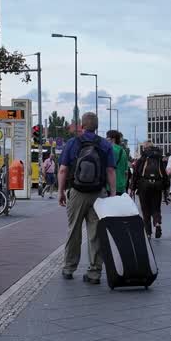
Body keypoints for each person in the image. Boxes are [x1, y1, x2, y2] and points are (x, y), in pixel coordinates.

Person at [57, 112, 117, 285]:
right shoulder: (105, 145)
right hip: (98, 194)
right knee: (96, 233)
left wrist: (61, 192)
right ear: (97, 127)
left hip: (76, 192)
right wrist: (112, 194)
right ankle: (94, 273)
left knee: (73, 230)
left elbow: (63, 170)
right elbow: (111, 171)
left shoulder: (73, 143)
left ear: (82, 126)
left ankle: (69, 268)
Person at [132, 142, 167, 237]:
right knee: (156, 207)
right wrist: (165, 188)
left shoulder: (142, 158)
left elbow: (136, 174)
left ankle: (148, 233)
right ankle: (157, 223)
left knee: (145, 209)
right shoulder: (160, 158)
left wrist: (133, 187)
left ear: (145, 148)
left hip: (144, 185)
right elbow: (164, 174)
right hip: (157, 186)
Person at [107, 130, 130, 197]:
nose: (106, 140)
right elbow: (126, 172)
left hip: (110, 187)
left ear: (113, 139)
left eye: (107, 138)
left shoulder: (110, 150)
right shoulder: (123, 152)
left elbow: (109, 169)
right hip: (121, 187)